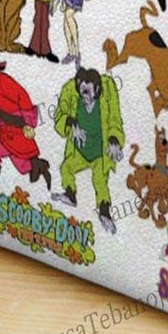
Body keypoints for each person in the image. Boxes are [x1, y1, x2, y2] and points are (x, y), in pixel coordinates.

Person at [0, 40, 51, 190]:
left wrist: (29, 123)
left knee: (11, 157)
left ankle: (38, 167)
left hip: (16, 128)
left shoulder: (2, 80)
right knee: (7, 156)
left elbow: (22, 96)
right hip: (3, 131)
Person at [52, 65, 125, 234]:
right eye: (82, 92)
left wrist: (114, 140)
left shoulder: (106, 99)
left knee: (100, 181)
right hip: (80, 152)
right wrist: (71, 123)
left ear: (97, 90)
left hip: (99, 154)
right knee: (66, 167)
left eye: (88, 92)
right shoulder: (71, 95)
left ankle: (104, 212)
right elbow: (59, 117)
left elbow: (115, 121)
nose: (85, 97)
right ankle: (70, 194)